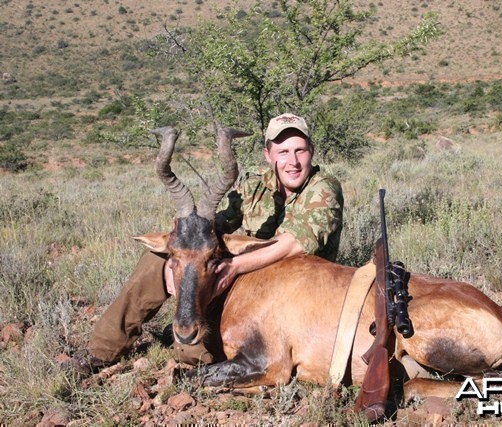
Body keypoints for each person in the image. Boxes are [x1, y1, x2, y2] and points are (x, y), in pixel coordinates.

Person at [76, 113, 343, 373]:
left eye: (300, 151)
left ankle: (204, 357)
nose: (292, 162)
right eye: (283, 152)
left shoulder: (323, 188)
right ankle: (100, 352)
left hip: (292, 294)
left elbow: (292, 245)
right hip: (248, 283)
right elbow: (208, 228)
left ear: (312, 151)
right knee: (155, 260)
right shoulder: (254, 186)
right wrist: (176, 258)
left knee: (196, 338)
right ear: (268, 155)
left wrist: (234, 266)